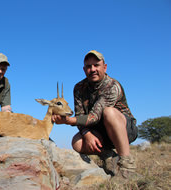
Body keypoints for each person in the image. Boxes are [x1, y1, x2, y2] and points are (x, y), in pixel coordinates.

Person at [52, 50, 138, 178]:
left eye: (96, 65)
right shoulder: (79, 88)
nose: (92, 69)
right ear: (84, 69)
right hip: (100, 129)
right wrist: (87, 134)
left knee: (109, 113)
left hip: (124, 129)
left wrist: (67, 121)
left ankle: (127, 167)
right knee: (77, 142)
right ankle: (109, 156)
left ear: (105, 67)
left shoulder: (112, 85)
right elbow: (80, 114)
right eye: (88, 66)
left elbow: (94, 116)